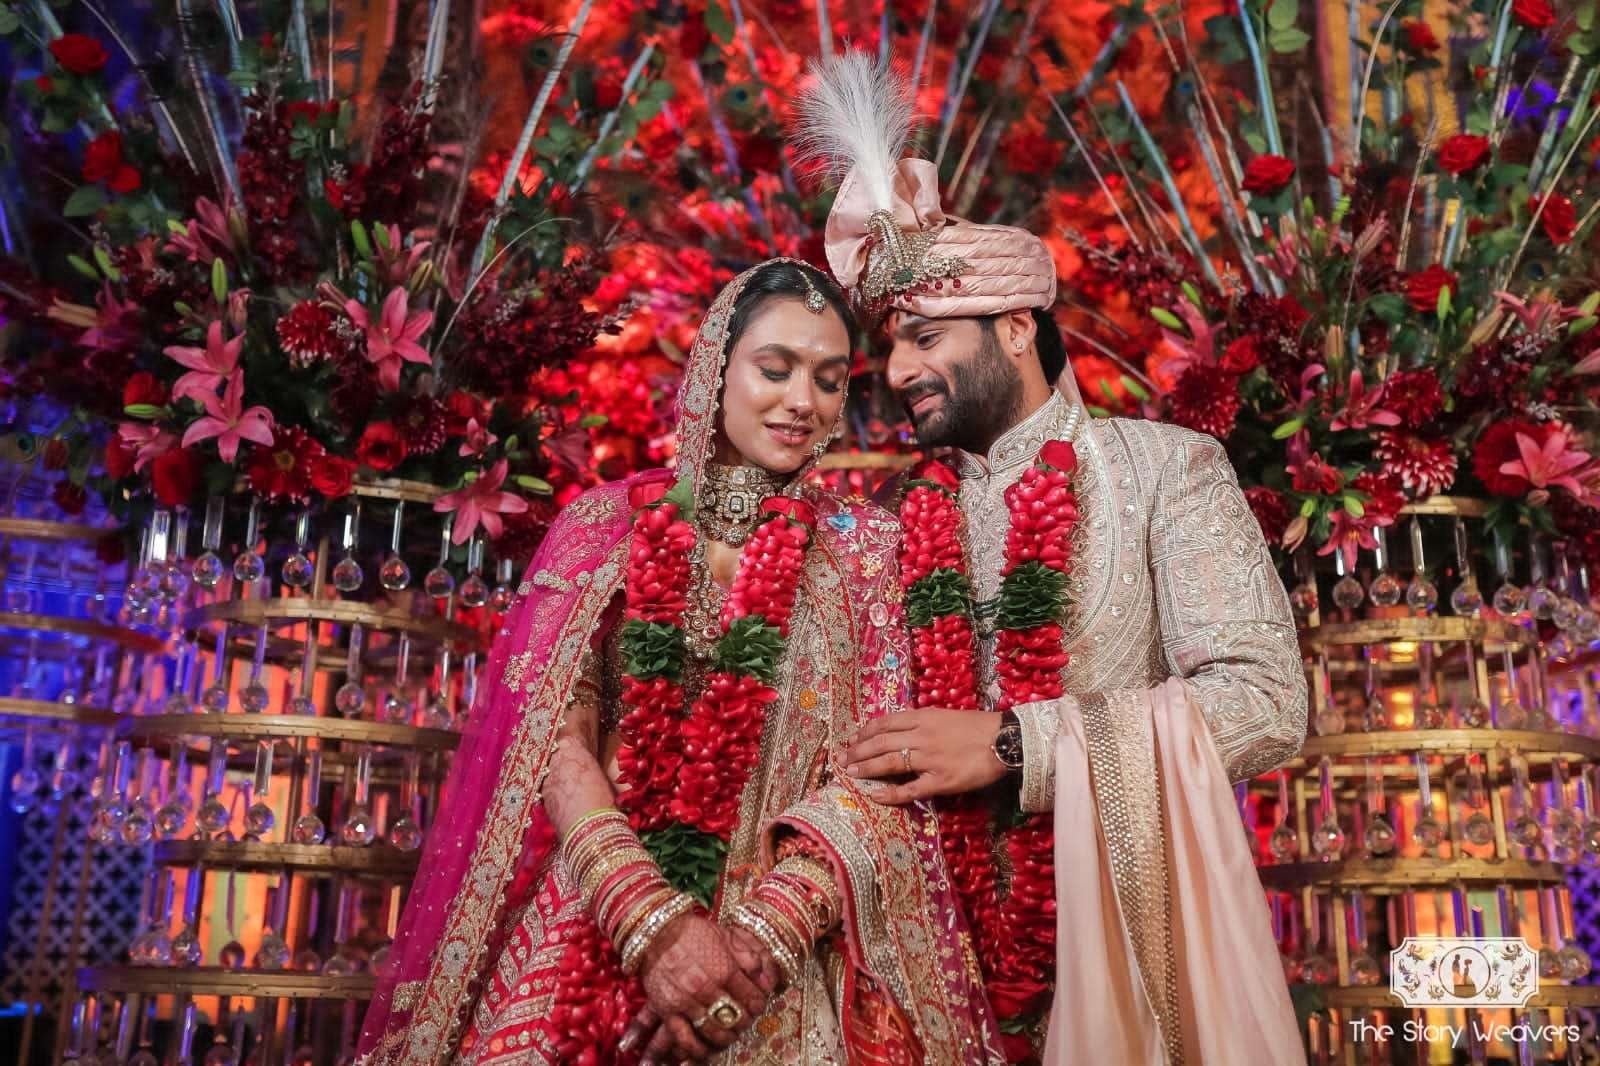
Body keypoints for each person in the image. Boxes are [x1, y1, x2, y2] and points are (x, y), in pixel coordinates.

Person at [356, 259, 1003, 1066]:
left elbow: (882, 768)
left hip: (785, 948)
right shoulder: (607, 527)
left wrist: (759, 943)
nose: (802, 401)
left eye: (829, 380)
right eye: (776, 369)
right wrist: (650, 924)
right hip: (602, 909)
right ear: (714, 371)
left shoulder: (866, 550)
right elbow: (553, 735)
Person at [794, 54, 1309, 1065]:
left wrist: (1013, 742)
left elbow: (1265, 702)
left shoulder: (1164, 468)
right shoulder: (898, 521)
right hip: (931, 971)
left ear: (1017, 327)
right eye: (890, 345)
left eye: (925, 337)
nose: (897, 370)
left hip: (1126, 940)